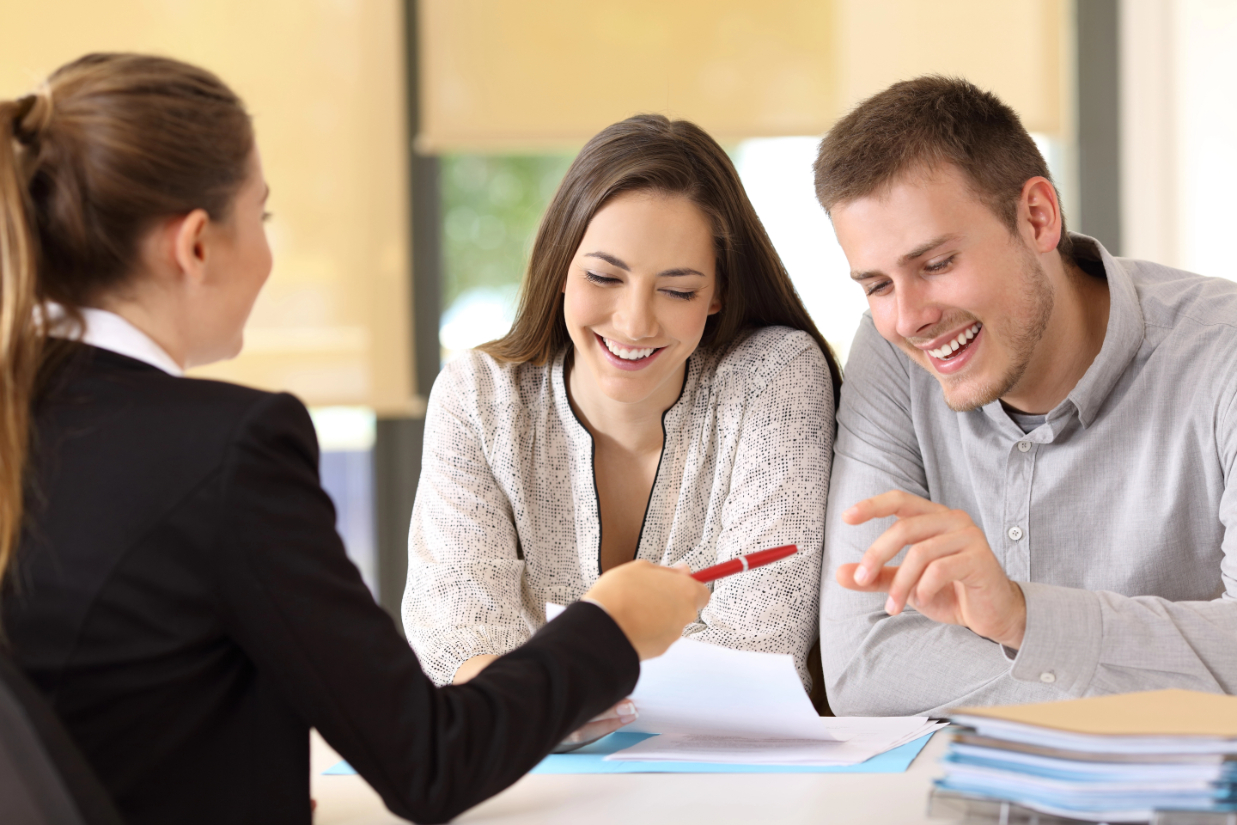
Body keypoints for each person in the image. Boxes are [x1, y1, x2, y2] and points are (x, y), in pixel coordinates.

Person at [0, 53, 710, 825]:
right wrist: (609, 624)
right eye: (261, 216)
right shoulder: (225, 450)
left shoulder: (29, 418)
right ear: (196, 244)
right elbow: (428, 761)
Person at [815, 75, 1237, 717]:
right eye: (876, 284)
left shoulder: (1221, 354)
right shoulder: (894, 354)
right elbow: (865, 666)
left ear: (1038, 217)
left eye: (936, 264)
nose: (909, 318)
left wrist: (1023, 621)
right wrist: (1154, 675)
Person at [402, 114, 841, 726]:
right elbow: (462, 647)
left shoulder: (773, 376)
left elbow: (761, 652)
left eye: (679, 290)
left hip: (729, 781)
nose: (635, 323)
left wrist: (550, 685)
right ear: (560, 269)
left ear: (717, 293)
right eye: (604, 277)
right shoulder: (478, 398)